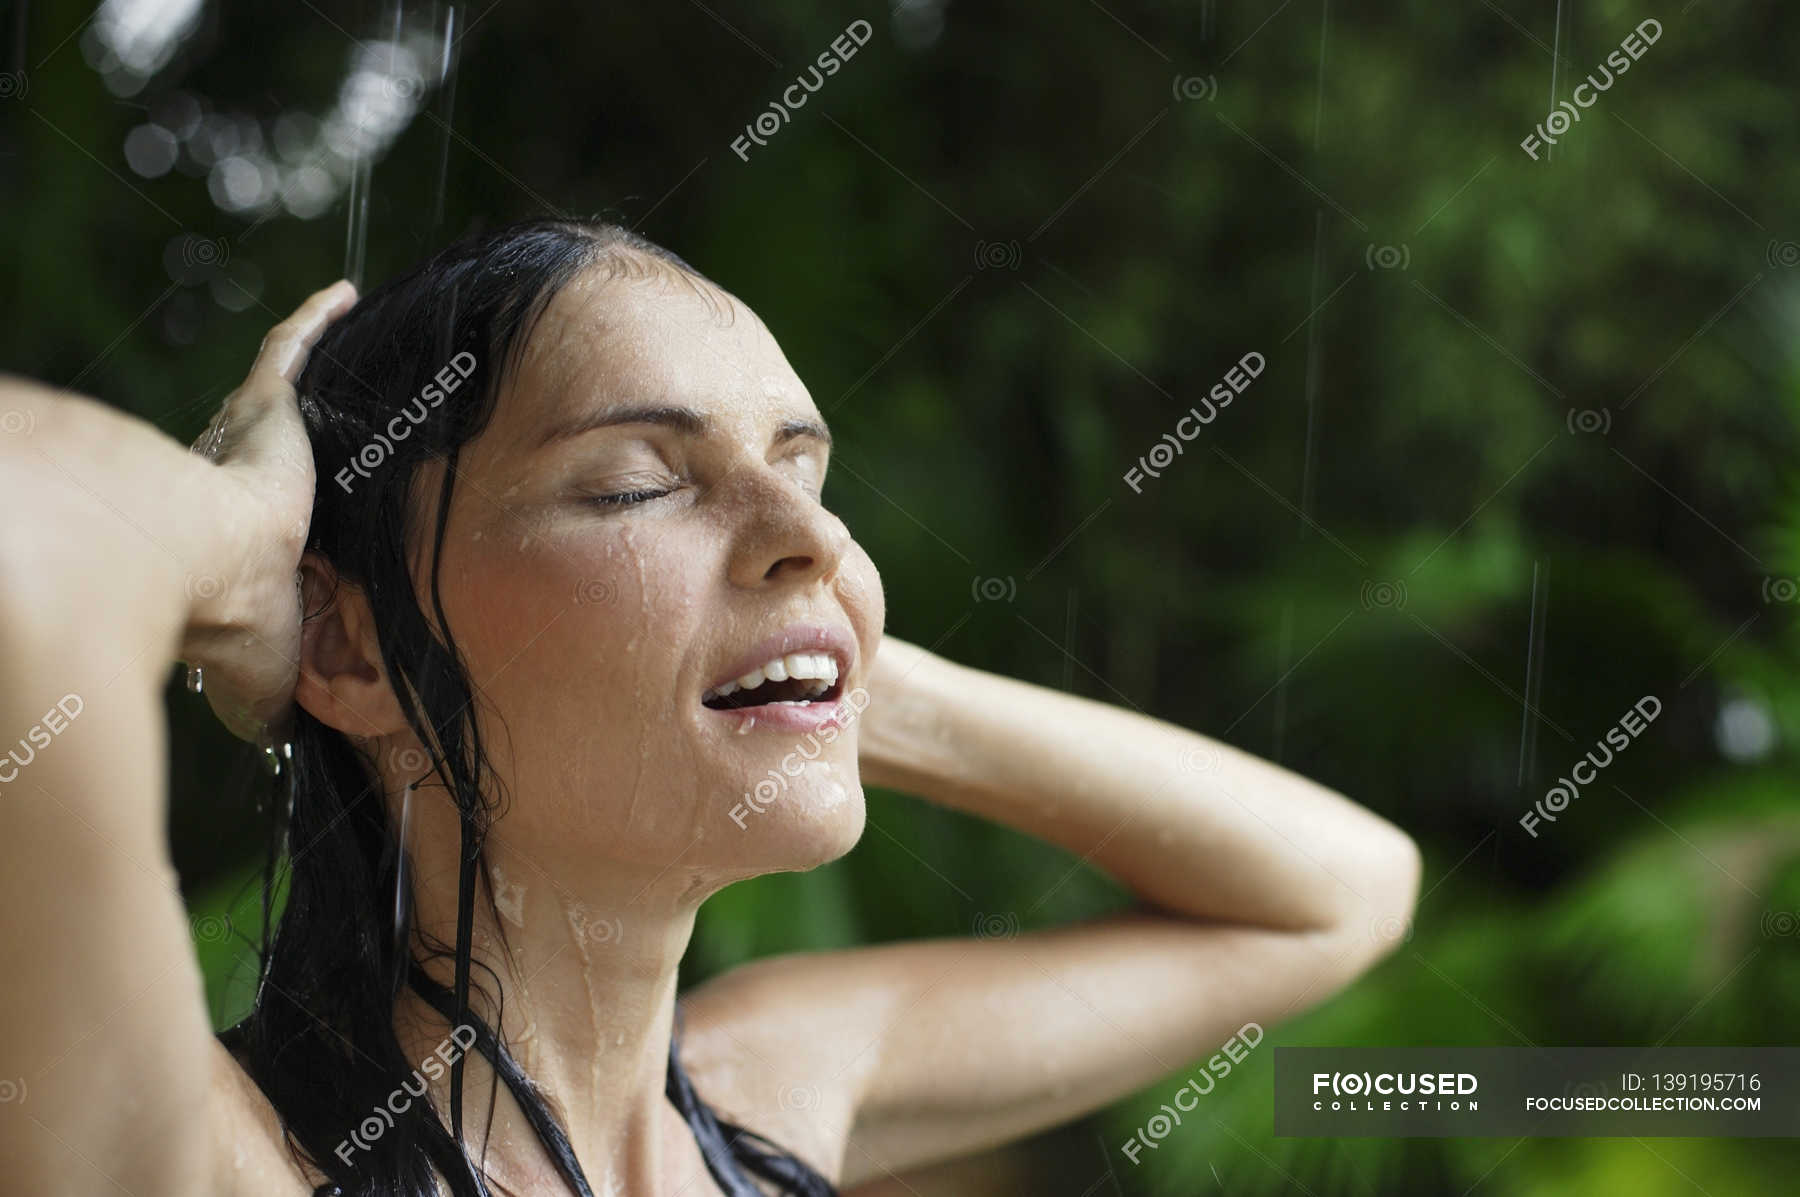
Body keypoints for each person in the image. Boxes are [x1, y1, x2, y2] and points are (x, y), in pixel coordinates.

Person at [0, 220, 1421, 1196]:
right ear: (353, 650)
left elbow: (1339, 889)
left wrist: (842, 667)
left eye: (804, 472)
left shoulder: (764, 1098)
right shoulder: (214, 1157)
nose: (805, 532)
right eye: (636, 482)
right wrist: (241, 549)